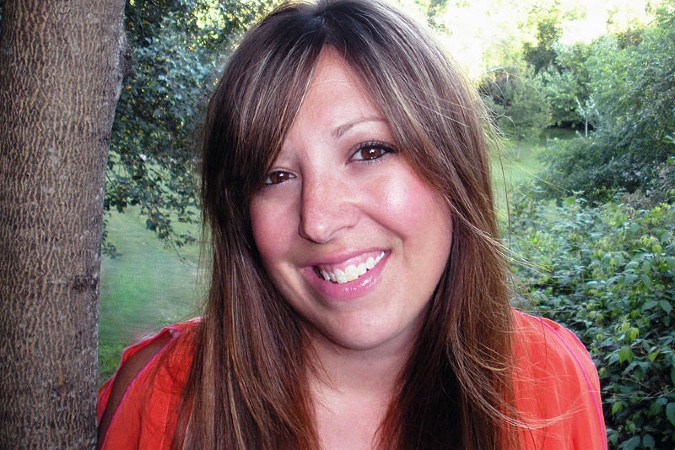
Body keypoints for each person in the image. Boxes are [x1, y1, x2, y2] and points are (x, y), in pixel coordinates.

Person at [97, 0, 607, 448]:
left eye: (369, 151)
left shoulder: (550, 381)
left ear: (453, 165)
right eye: (274, 175)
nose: (318, 220)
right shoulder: (163, 397)